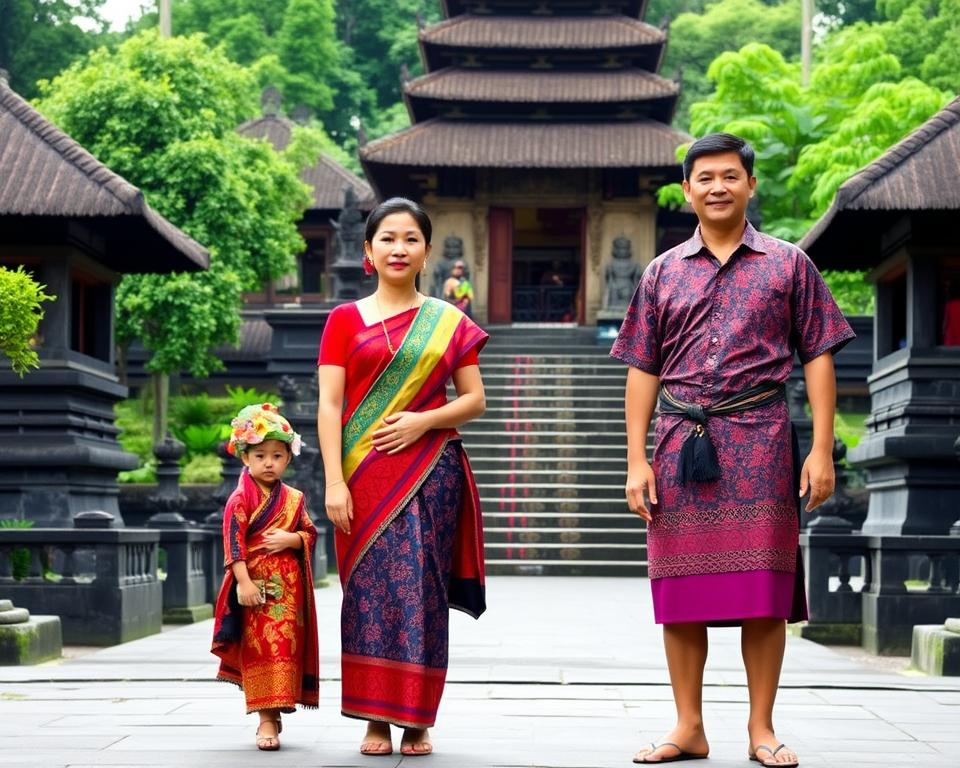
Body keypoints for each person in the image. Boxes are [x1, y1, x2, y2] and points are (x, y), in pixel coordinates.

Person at [611, 133, 855, 766]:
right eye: (704, 178)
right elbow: (642, 367)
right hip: (678, 440)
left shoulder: (789, 264)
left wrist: (822, 447)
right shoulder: (661, 271)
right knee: (680, 589)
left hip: (762, 438)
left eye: (729, 176)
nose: (717, 187)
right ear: (687, 190)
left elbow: (819, 354)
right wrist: (636, 458)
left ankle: (761, 728)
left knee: (762, 592)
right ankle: (688, 726)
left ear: (750, 185)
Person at [316, 197, 488, 757]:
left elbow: (475, 400)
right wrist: (333, 482)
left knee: (421, 591)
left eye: (410, 238)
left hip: (431, 471)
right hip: (361, 474)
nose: (399, 248)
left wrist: (423, 421)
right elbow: (329, 405)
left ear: (426, 251)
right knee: (367, 592)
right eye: (387, 238)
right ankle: (373, 717)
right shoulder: (344, 320)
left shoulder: (448, 321)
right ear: (368, 251)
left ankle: (416, 719)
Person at [211, 403, 319, 751]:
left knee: (285, 650)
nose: (269, 462)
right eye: (260, 455)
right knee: (261, 652)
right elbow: (232, 542)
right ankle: (265, 720)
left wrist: (293, 539)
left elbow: (310, 532)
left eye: (277, 455)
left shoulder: (295, 499)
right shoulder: (240, 498)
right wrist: (243, 582)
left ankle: (278, 707)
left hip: (289, 594)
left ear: (288, 458)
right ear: (245, 458)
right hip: (256, 588)